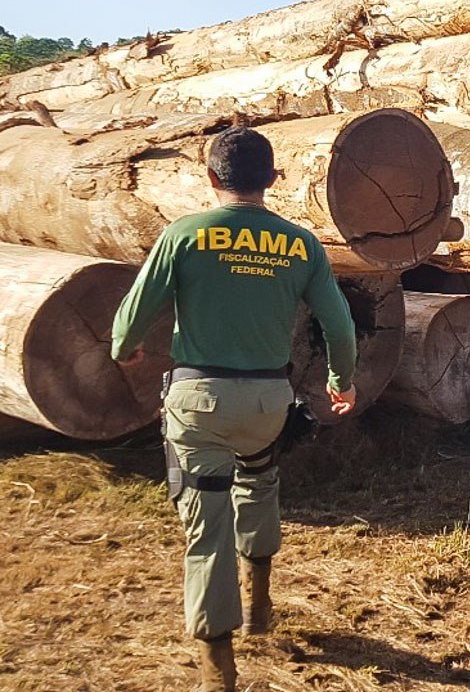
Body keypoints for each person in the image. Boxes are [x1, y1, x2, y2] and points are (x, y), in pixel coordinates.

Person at [111, 126, 359, 692]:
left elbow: (133, 314)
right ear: (271, 180)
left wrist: (126, 350)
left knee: (207, 527)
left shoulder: (184, 234)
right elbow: (339, 324)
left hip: (199, 403)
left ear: (211, 177)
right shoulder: (302, 244)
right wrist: (342, 381)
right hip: (270, 401)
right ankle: (262, 605)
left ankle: (217, 669)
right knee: (261, 482)